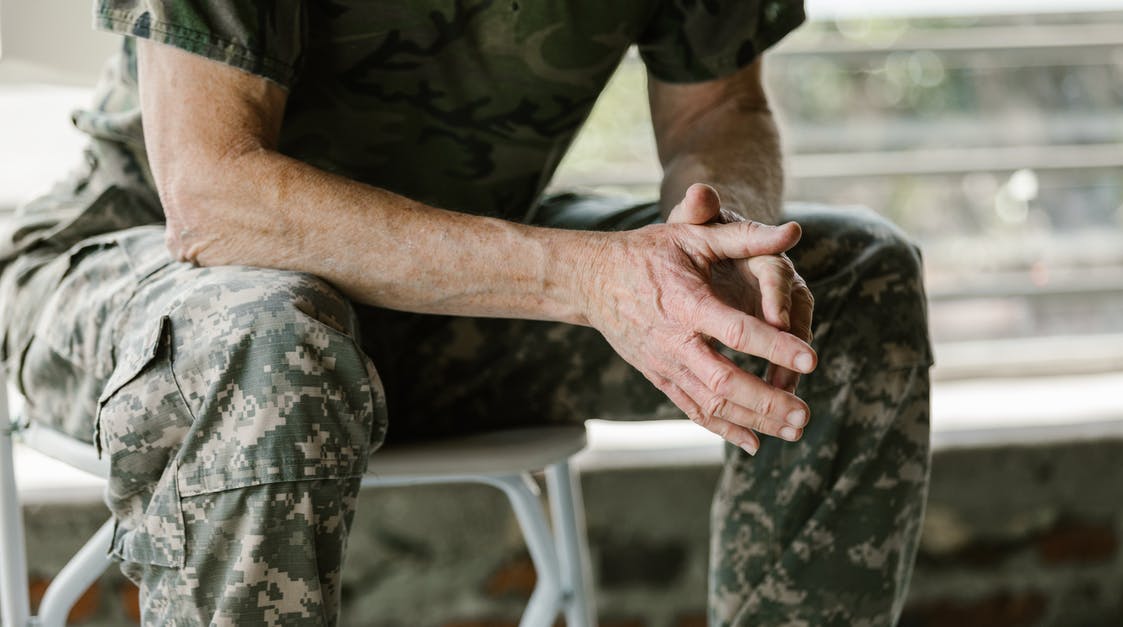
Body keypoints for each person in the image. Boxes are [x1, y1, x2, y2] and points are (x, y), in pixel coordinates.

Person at [0, 1, 933, 625]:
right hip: (150, 263)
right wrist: (591, 282)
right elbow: (214, 196)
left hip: (455, 282)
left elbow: (718, 105)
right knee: (270, 336)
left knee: (854, 282)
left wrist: (718, 230)